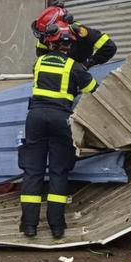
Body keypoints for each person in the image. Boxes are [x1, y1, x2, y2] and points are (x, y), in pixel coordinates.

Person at [20, 18, 98, 240]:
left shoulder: (40, 63)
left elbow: (41, 49)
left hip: (35, 119)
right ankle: (56, 227)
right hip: (60, 120)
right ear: (69, 46)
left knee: (33, 172)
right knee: (58, 171)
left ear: (50, 43)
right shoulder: (73, 67)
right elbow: (93, 89)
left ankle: (29, 226)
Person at [33, 4, 117, 67]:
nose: (45, 38)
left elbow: (109, 47)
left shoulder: (81, 32)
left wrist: (87, 63)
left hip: (80, 75)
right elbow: (41, 55)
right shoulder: (44, 36)